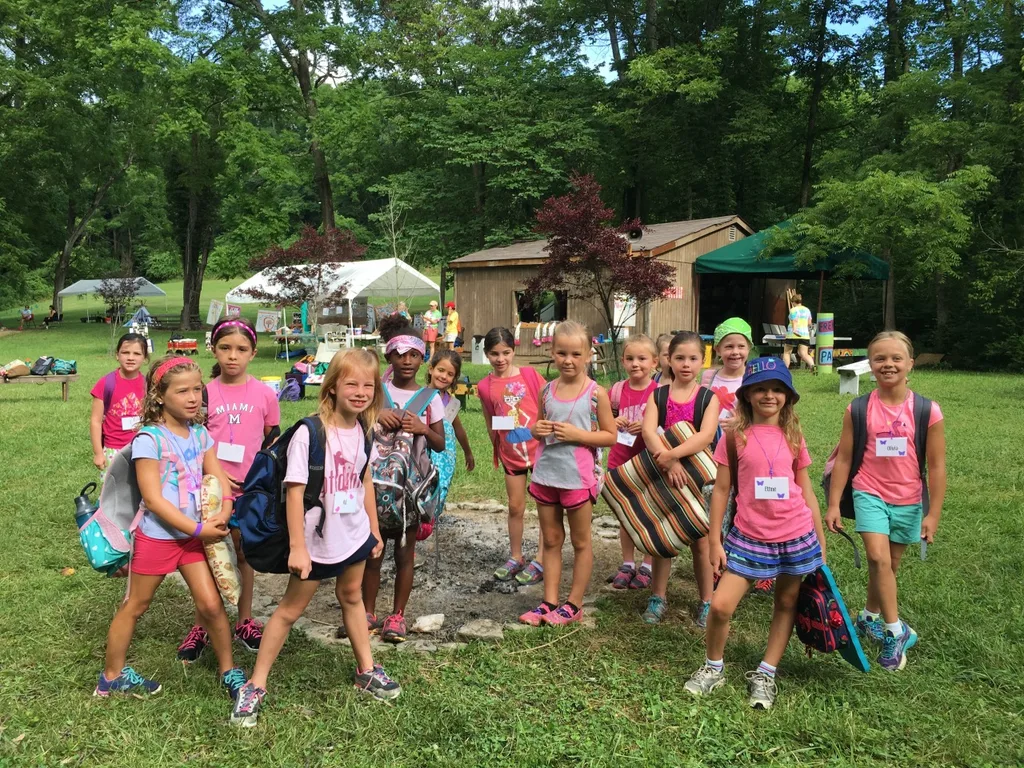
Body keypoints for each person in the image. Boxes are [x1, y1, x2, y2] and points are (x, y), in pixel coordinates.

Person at [231, 349, 400, 726]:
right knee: (290, 610)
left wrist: (372, 529)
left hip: (352, 532)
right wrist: (298, 547)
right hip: (316, 539)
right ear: (332, 386)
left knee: (352, 596)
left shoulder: (364, 430)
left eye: (368, 385)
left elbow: (364, 481)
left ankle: (366, 669)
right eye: (351, 383)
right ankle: (255, 685)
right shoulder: (310, 433)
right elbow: (294, 492)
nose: (360, 391)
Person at [94, 356, 247, 700]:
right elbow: (154, 499)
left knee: (211, 605)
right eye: (182, 391)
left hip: (194, 539)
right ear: (159, 396)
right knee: (136, 604)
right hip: (158, 539)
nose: (193, 398)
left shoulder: (200, 433)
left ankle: (229, 671)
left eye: (197, 389)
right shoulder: (150, 439)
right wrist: (197, 530)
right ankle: (111, 676)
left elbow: (218, 476)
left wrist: (225, 508)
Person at [684, 357, 826, 710]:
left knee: (786, 603)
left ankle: (766, 672)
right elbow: (721, 491)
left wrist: (819, 538)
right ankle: (713, 666)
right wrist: (715, 539)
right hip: (748, 537)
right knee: (720, 605)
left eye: (777, 389)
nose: (769, 395)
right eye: (761, 388)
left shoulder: (794, 435)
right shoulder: (733, 437)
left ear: (788, 397)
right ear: (747, 394)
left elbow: (805, 489)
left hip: (796, 534)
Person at [825, 331, 945, 671]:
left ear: (910, 364)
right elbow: (845, 459)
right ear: (870, 365)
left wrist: (932, 513)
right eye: (879, 358)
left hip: (908, 499)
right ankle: (896, 631)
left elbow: (935, 466)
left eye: (895, 358)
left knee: (889, 566)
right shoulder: (859, 408)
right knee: (877, 559)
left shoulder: (927, 411)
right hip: (869, 492)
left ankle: (868, 616)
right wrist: (834, 504)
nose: (887, 364)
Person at [176, 317, 280, 664]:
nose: (232, 357)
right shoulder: (202, 392)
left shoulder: (265, 393)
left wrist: (258, 476)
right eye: (225, 348)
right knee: (207, 552)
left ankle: (245, 619)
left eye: (241, 349)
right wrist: (217, 475)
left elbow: (271, 437)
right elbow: (193, 441)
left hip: (249, 489)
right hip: (209, 488)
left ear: (253, 352)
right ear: (214, 350)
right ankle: (201, 624)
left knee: (244, 551)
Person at [519, 321, 616, 626]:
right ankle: (548, 601)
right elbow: (539, 427)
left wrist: (578, 435)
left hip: (577, 478)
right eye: (561, 353)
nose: (568, 360)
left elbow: (610, 436)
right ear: (552, 352)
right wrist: (535, 430)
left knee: (581, 542)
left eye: (576, 353)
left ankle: (573, 604)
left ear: (589, 354)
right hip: (546, 475)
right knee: (550, 539)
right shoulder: (547, 390)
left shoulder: (596, 394)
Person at [363, 328, 446, 643]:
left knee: (404, 553)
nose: (407, 361)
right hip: (374, 486)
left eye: (413, 355)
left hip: (409, 490)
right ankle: (367, 613)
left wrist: (423, 427)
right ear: (389, 356)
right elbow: (356, 422)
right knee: (372, 551)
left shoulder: (430, 398)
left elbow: (438, 444)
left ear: (422, 358)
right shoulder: (376, 391)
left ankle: (397, 615)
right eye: (400, 354)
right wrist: (376, 414)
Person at [640, 332, 720, 627]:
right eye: (680, 358)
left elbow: (706, 436)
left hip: (697, 479)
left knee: (701, 543)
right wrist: (669, 460)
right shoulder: (658, 395)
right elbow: (648, 431)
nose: (686, 364)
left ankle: (707, 600)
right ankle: (658, 596)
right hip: (664, 475)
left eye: (693, 358)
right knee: (664, 537)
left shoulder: (708, 398)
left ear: (703, 360)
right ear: (668, 360)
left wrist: (672, 456)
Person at [700, 318, 772, 593]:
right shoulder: (708, 377)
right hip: (718, 448)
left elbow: (767, 411)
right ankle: (724, 561)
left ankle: (766, 567)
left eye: (741, 345)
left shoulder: (754, 375)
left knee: (755, 505)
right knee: (722, 503)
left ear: (749, 348)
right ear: (718, 349)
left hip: (751, 450)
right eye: (728, 346)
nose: (735, 352)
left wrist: (743, 425)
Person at [478, 327, 546, 585]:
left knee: (544, 508)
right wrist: (500, 444)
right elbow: (490, 421)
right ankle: (516, 556)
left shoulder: (529, 375)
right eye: (494, 353)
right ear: (486, 354)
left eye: (506, 352)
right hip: (512, 454)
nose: (500, 359)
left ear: (514, 350)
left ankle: (541, 558)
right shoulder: (485, 386)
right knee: (515, 506)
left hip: (540, 451)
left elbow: (546, 404)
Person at [606, 335, 659, 589]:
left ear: (655, 362)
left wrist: (650, 426)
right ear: (622, 361)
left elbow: (666, 428)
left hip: (648, 462)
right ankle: (627, 563)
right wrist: (612, 422)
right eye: (630, 358)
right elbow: (602, 420)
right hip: (620, 460)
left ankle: (648, 565)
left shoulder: (659, 394)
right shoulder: (616, 390)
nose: (635, 364)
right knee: (625, 513)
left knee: (649, 514)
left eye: (642, 358)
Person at [89, 333, 149, 478]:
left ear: (145, 358)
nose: (130, 357)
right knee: (113, 493)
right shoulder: (106, 383)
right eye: (125, 352)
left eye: (136, 353)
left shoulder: (149, 385)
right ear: (117, 355)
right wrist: (98, 453)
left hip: (144, 448)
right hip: (113, 450)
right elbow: (95, 421)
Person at [427, 349, 476, 472]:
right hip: (422, 456)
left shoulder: (452, 403)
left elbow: (459, 430)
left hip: (445, 461)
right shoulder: (418, 397)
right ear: (431, 369)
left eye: (450, 374)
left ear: (454, 378)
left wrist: (468, 452)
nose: (444, 376)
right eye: (441, 370)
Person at [782, 294, 815, 371]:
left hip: (793, 334)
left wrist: (794, 329)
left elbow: (794, 321)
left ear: (793, 302)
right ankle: (814, 369)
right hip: (804, 335)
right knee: (804, 354)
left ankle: (784, 371)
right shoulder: (807, 310)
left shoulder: (793, 310)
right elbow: (809, 323)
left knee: (787, 352)